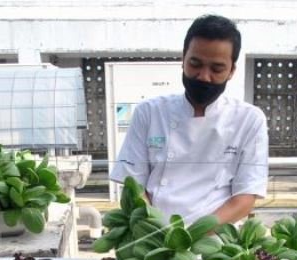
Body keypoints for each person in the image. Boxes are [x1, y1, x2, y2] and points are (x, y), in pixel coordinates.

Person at [109, 14, 269, 225]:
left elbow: (245, 197)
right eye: (195, 64)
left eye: (217, 68)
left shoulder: (249, 119)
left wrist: (190, 237)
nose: (204, 76)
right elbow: (134, 186)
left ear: (232, 71)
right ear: (183, 60)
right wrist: (158, 232)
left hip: (217, 243)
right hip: (155, 236)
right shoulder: (149, 113)